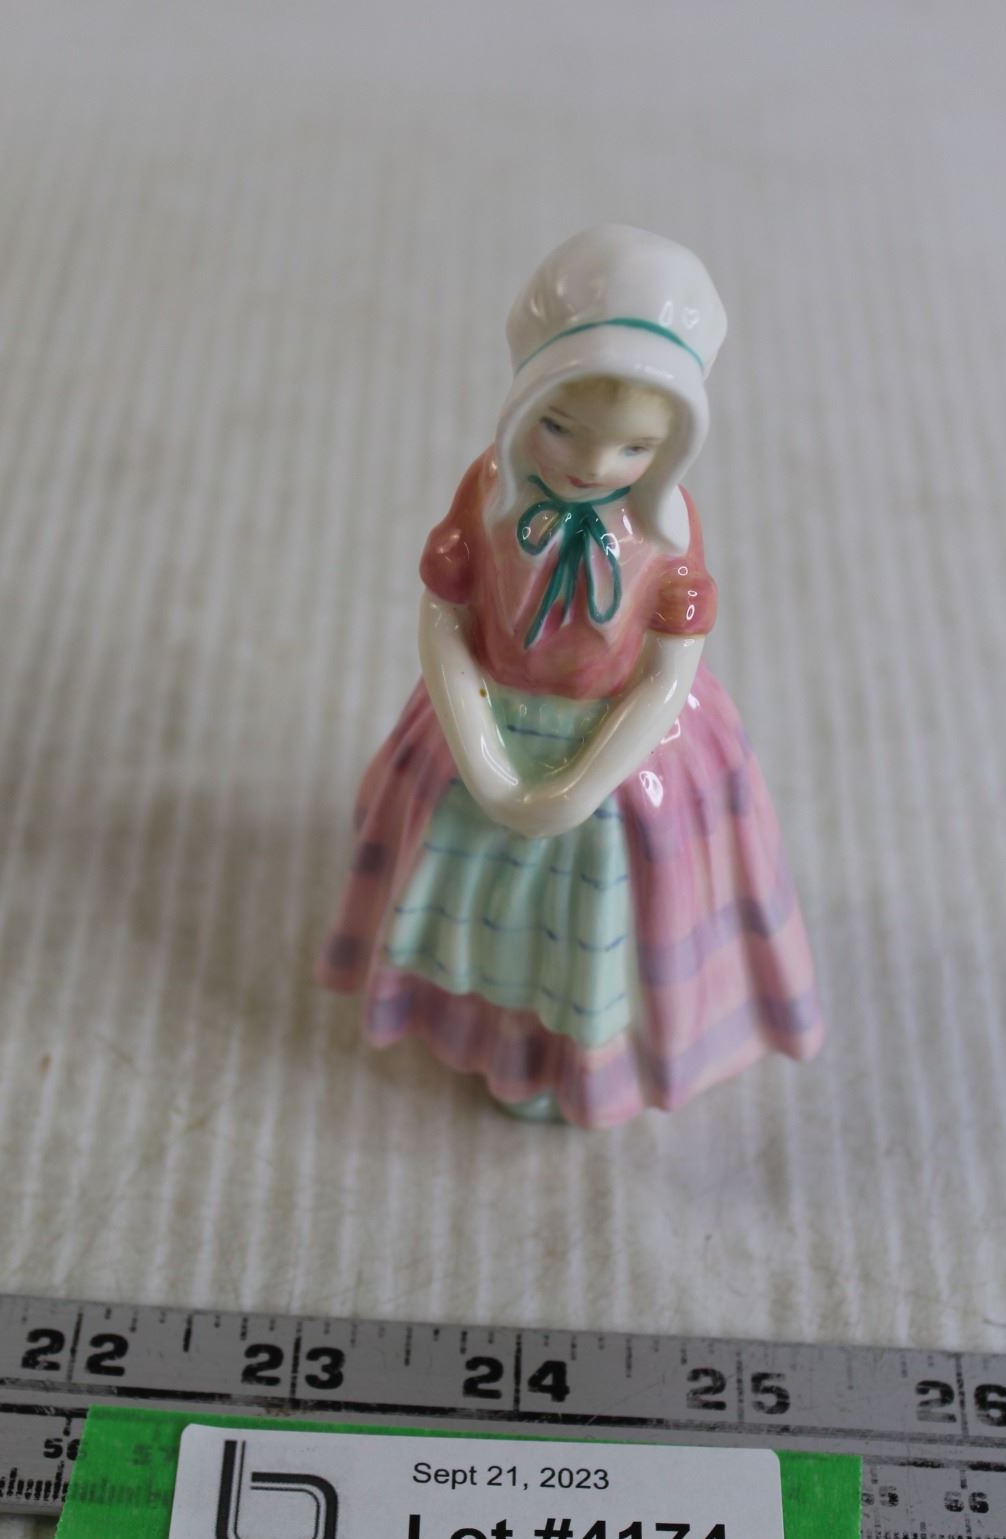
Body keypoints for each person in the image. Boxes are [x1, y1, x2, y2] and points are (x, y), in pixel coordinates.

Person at [316, 224, 823, 1126]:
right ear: (525, 403)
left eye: (632, 447)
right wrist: (483, 760)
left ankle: (589, 1063)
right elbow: (444, 615)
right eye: (560, 428)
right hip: (487, 723)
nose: (592, 464)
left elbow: (668, 673)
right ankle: (486, 1035)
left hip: (621, 753)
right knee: (475, 895)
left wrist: (575, 789)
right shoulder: (488, 496)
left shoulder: (666, 530)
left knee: (601, 922)